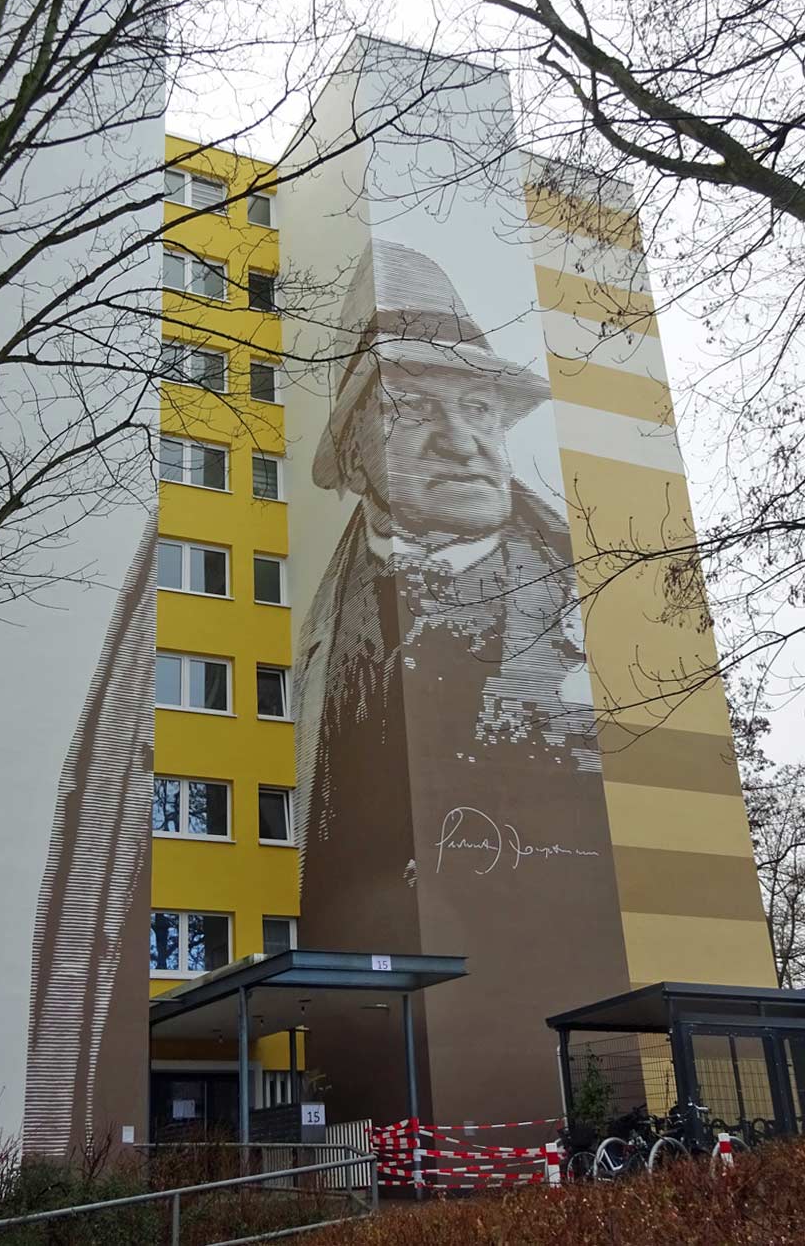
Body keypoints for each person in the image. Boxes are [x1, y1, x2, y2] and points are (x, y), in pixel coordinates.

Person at [293, 240, 627, 1124]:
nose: (464, 441)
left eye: (479, 407)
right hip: (381, 999)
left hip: (547, 1010)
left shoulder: (587, 590)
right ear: (355, 450)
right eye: (415, 408)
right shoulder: (320, 622)